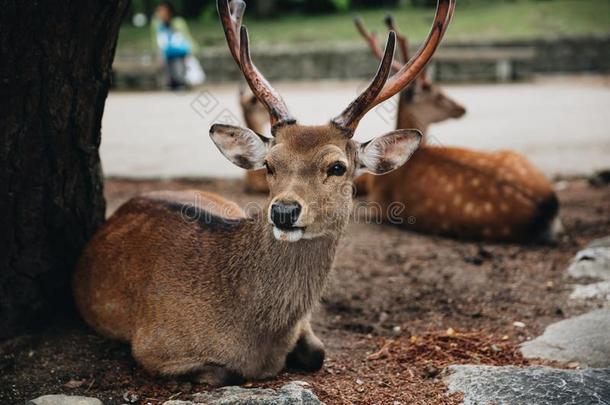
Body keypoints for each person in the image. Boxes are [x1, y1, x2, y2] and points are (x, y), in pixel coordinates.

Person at [151, 1, 203, 89]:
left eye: (163, 11)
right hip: (167, 54)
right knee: (167, 65)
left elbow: (186, 37)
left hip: (180, 52)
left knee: (178, 64)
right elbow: (156, 40)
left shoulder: (178, 22)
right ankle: (171, 83)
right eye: (159, 11)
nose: (161, 14)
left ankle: (181, 82)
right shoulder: (157, 24)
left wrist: (191, 50)